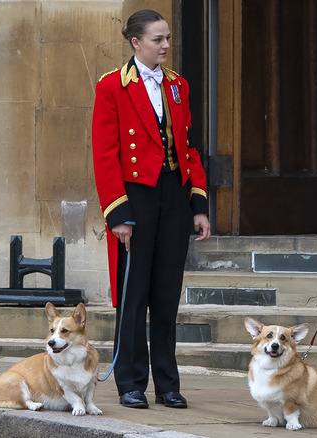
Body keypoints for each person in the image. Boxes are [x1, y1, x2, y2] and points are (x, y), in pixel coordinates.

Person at [92, 9, 211, 410]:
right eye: (158, 39)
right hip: (135, 199)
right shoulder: (112, 86)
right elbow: (105, 155)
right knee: (133, 294)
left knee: (165, 295)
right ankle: (130, 381)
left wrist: (198, 205)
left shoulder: (178, 85)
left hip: (173, 197)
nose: (166, 46)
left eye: (167, 38)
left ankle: (168, 383)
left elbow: (189, 148)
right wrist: (117, 214)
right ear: (136, 43)